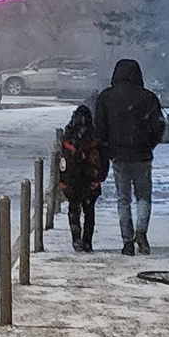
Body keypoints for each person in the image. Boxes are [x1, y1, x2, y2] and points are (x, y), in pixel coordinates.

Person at [91, 58, 166, 254]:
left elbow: (100, 129)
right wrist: (149, 144)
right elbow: (159, 126)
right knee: (143, 196)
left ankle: (127, 241)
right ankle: (141, 232)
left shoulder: (106, 97)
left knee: (123, 199)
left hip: (119, 155)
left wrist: (108, 149)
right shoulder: (148, 98)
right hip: (142, 154)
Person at [56, 102, 107, 251]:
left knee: (74, 208)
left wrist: (63, 180)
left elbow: (63, 161)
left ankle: (76, 239)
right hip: (91, 179)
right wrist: (100, 178)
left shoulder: (68, 137)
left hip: (72, 180)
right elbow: (103, 159)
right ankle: (87, 241)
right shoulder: (95, 137)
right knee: (89, 211)